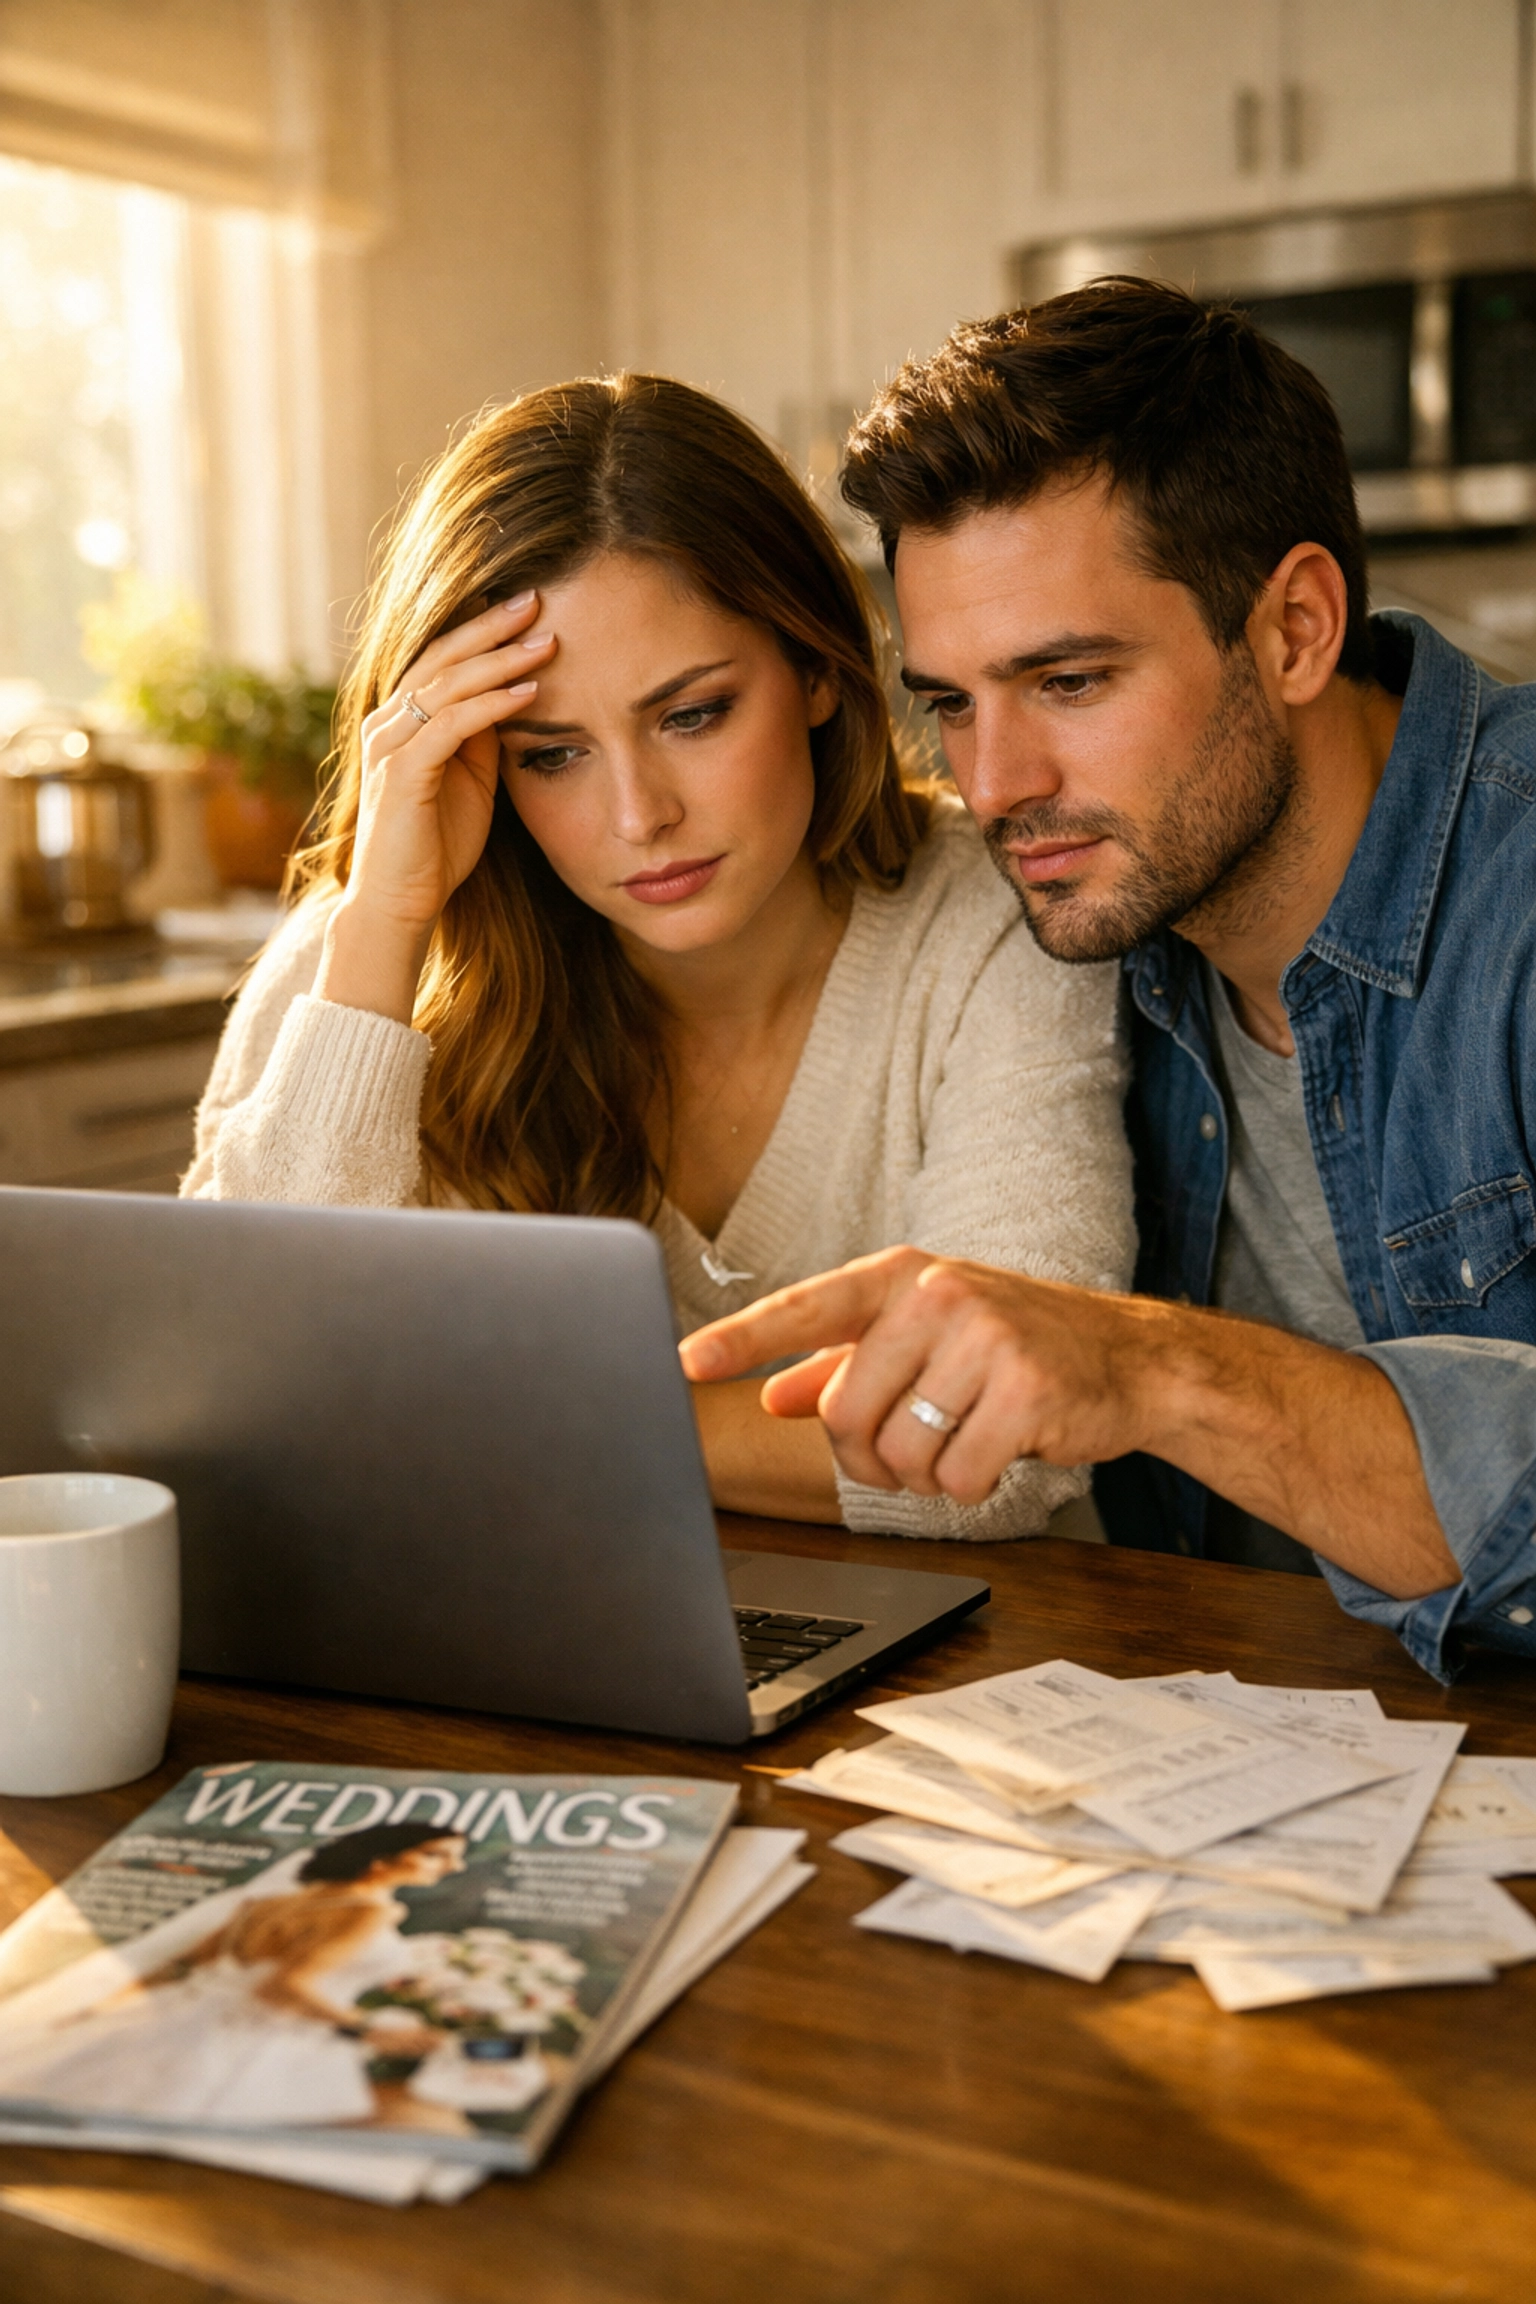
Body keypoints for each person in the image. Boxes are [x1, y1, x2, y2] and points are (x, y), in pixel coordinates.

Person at [680, 278, 1536, 1681]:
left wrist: (1146, 1367)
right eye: (950, 703)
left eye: (1070, 682)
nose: (998, 788)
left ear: (1297, 629)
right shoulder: (1094, 923)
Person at [184, 373, 1133, 1540]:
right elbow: (255, 1399)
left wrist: (497, 1421)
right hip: (519, 1651)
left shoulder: (992, 922)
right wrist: (381, 923)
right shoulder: (369, 949)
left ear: (820, 669)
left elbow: (1001, 1447)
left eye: (691, 715)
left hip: (963, 1675)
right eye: (551, 754)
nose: (639, 817)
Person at [0, 1826, 472, 2131]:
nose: (453, 1866)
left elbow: (180, 1967)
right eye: (436, 1855)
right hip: (244, 2038)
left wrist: (100, 2011)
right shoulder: (370, 1911)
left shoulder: (262, 1905)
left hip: (179, 2013)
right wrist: (366, 2030)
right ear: (383, 1860)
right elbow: (281, 1987)